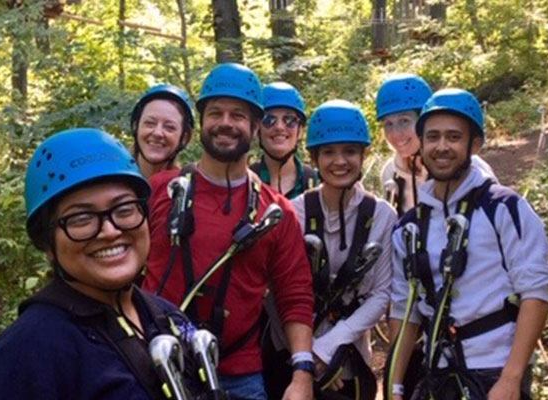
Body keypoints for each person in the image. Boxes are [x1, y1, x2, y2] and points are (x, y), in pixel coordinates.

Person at [0, 128, 215, 400]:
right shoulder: (25, 355)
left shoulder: (166, 317)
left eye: (124, 210)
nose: (110, 231)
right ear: (47, 242)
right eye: (81, 219)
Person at [142, 63, 315, 400]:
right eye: (215, 112)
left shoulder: (274, 211)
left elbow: (295, 294)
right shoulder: (161, 192)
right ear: (202, 123)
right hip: (157, 361)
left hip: (238, 372)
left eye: (238, 115)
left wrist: (302, 372)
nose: (225, 123)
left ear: (254, 127)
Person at [387, 89, 548, 400]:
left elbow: (535, 291)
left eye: (453, 137)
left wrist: (511, 377)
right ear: (421, 144)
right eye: (433, 137)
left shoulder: (504, 208)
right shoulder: (408, 227)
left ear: (474, 145)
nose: (441, 147)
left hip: (496, 368)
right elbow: (404, 310)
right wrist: (394, 385)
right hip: (434, 371)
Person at [266, 100, 394, 399]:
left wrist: (328, 349)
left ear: (363, 155)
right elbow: (275, 290)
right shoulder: (293, 213)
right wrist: (307, 356)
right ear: (314, 157)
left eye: (349, 151)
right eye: (328, 153)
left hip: (349, 355)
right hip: (288, 353)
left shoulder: (382, 216)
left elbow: (380, 294)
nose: (340, 161)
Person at [376, 74, 496, 215]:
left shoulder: (469, 167)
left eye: (404, 121)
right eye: (388, 124)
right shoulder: (391, 173)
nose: (395, 133)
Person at [250, 82, 319, 199]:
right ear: (257, 129)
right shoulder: (244, 183)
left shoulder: (317, 183)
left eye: (289, 120)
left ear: (300, 130)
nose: (279, 127)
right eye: (269, 120)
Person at [130, 83, 196, 177]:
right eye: (150, 123)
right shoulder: (110, 178)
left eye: (169, 127)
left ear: (184, 138)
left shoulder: (186, 188)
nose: (158, 133)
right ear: (136, 127)